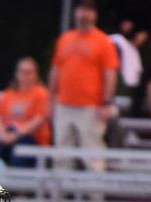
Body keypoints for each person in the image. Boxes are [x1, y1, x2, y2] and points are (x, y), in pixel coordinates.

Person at [50, 0, 119, 173]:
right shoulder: (65, 39)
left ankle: (95, 198)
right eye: (81, 10)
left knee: (93, 154)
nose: (83, 15)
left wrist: (106, 102)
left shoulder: (103, 41)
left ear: (94, 15)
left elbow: (110, 74)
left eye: (88, 11)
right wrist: (51, 97)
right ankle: (60, 197)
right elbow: (56, 69)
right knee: (62, 154)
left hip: (91, 106)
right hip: (65, 104)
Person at [0, 57, 51, 168]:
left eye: (29, 72)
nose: (25, 75)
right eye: (22, 71)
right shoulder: (8, 94)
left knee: (19, 152)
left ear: (36, 74)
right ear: (16, 73)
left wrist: (15, 135)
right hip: (9, 136)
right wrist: (3, 136)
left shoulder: (41, 94)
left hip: (32, 139)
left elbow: (38, 120)